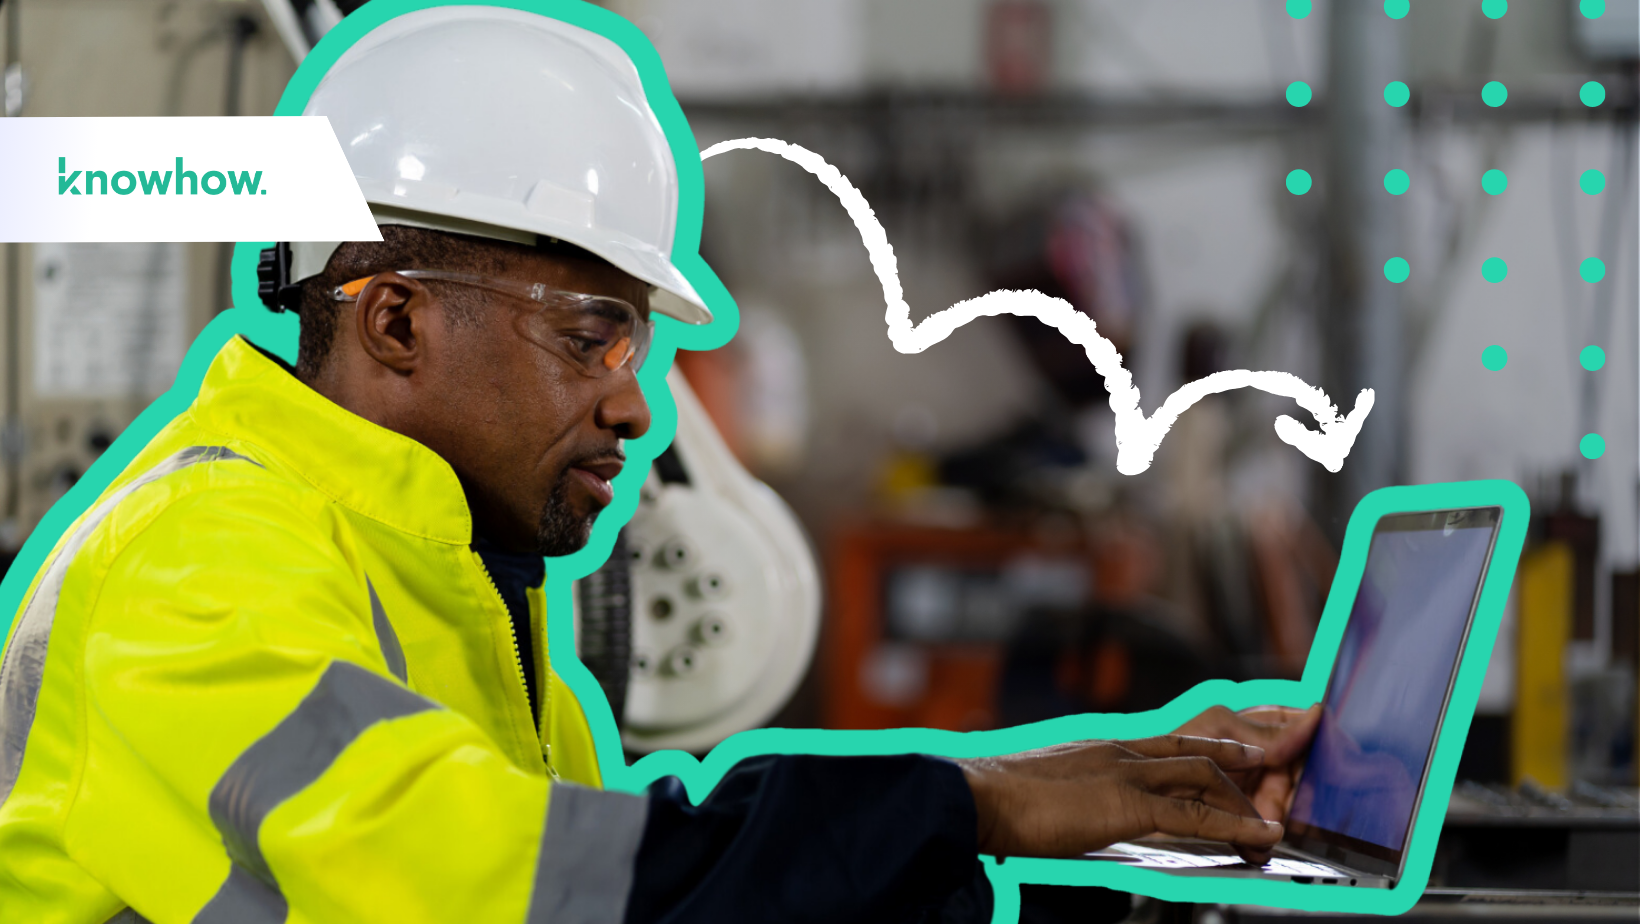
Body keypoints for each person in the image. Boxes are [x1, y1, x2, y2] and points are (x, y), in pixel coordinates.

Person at [0, 8, 1321, 923]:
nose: (639, 411)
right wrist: (971, 806)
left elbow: (638, 867)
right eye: (595, 339)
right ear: (396, 319)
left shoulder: (450, 578)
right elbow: (508, 897)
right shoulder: (199, 572)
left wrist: (1047, 793)